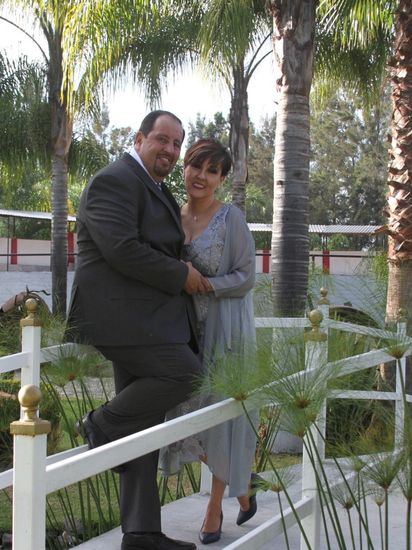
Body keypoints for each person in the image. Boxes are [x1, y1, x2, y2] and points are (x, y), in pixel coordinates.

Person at [65, 110, 206, 550]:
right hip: (122, 319)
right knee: (186, 375)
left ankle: (141, 533)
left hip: (148, 321)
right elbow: (122, 249)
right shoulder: (116, 179)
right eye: (162, 139)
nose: (170, 149)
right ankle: (100, 425)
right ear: (140, 138)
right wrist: (179, 274)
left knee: (141, 424)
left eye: (177, 143)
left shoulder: (153, 186)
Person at [158, 139, 258, 544]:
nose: (202, 176)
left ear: (221, 179)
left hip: (225, 333)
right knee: (180, 417)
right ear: (185, 167)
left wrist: (206, 285)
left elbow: (247, 275)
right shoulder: (170, 217)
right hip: (182, 334)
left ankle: (214, 508)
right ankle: (243, 484)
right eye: (197, 166)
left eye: (212, 171)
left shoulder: (231, 219)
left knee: (219, 421)